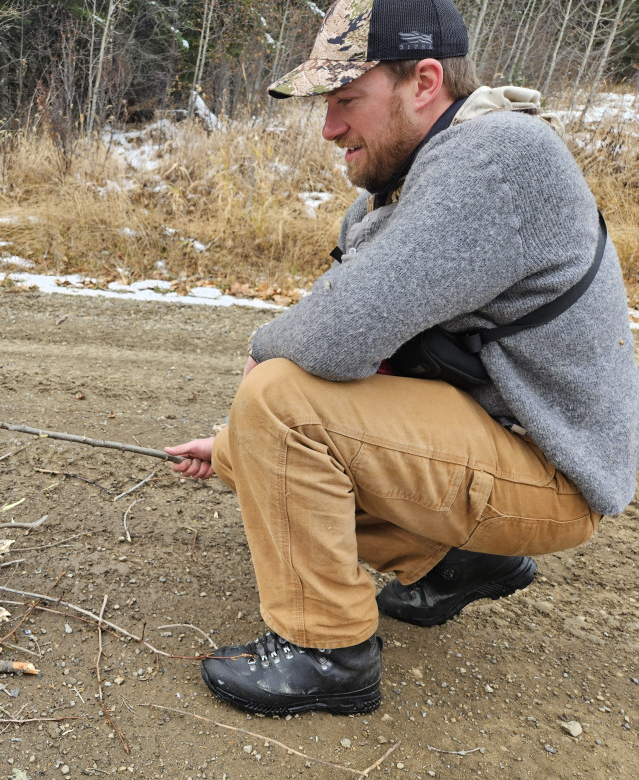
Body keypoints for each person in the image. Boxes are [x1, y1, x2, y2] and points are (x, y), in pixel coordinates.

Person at [165, 0, 639, 717]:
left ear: (423, 82)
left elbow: (334, 340)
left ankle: (328, 654)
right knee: (268, 426)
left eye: (347, 100)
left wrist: (260, 380)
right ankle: (460, 561)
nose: (328, 128)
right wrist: (241, 448)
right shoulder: (404, 186)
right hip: (506, 445)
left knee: (277, 397)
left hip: (555, 474)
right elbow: (360, 363)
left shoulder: (497, 157)